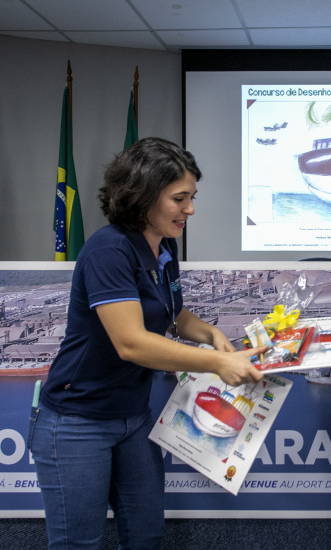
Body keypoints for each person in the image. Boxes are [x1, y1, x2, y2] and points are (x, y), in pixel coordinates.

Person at [29, 137, 265, 549]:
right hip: (77, 420)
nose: (190, 210)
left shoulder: (163, 245)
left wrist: (211, 334)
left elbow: (170, 313)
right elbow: (132, 343)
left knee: (145, 536)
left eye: (192, 197)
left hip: (133, 417)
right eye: (179, 199)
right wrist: (215, 364)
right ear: (142, 196)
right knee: (77, 543)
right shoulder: (108, 250)